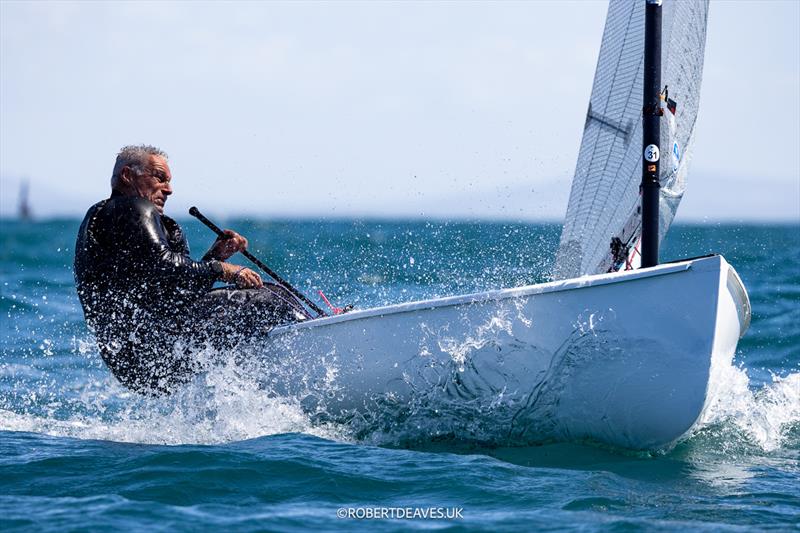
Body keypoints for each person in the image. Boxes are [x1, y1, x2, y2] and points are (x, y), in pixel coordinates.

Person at [74, 145, 309, 394]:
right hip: (160, 347)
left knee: (249, 311)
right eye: (159, 177)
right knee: (271, 297)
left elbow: (172, 293)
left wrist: (215, 255)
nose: (169, 189)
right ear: (127, 175)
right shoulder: (132, 208)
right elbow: (164, 264)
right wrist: (223, 268)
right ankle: (321, 336)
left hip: (136, 365)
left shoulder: (102, 217)